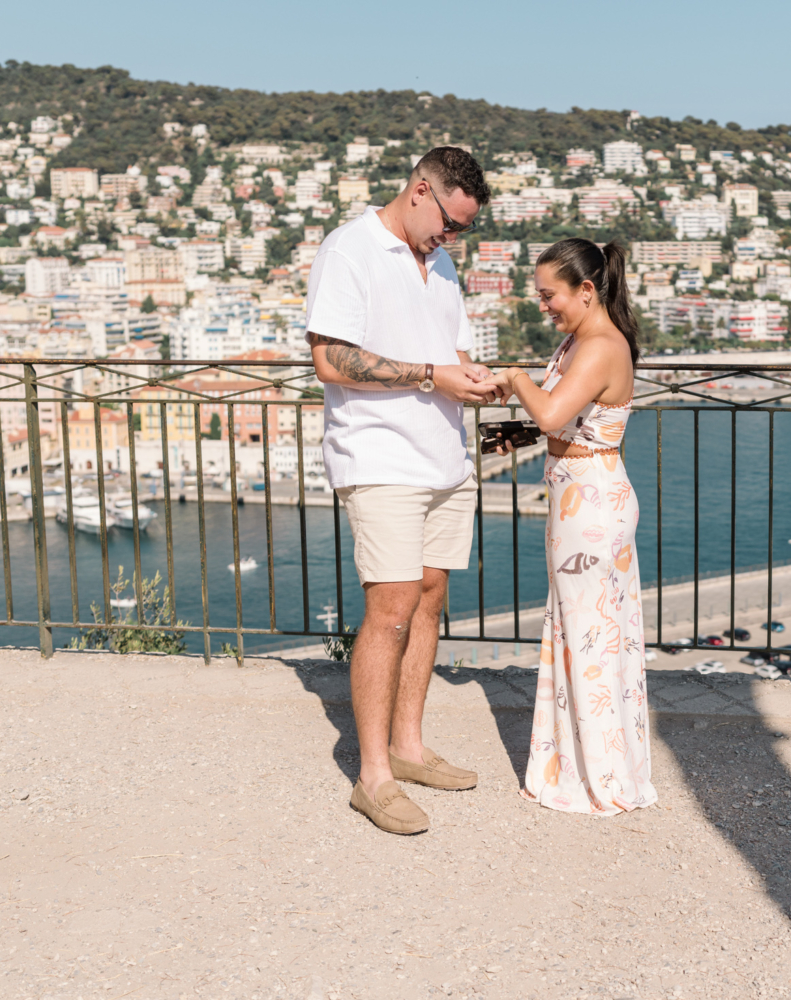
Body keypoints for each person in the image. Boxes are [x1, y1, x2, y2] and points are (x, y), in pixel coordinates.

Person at [304, 146, 498, 836]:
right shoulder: (350, 250)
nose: (453, 239)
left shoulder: (440, 263)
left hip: (444, 458)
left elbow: (455, 353)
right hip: (380, 455)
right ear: (421, 191)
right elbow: (330, 357)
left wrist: (475, 380)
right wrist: (430, 376)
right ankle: (373, 777)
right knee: (388, 609)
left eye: (463, 231)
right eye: (450, 224)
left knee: (429, 603)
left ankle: (410, 748)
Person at [488, 238, 657, 815]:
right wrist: (527, 433)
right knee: (579, 633)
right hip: (576, 497)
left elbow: (555, 410)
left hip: (591, 505)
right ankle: (587, 767)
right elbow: (564, 419)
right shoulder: (579, 341)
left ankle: (601, 779)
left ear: (586, 290)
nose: (544, 306)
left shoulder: (601, 345)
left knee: (590, 638)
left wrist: (513, 376)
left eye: (549, 295)